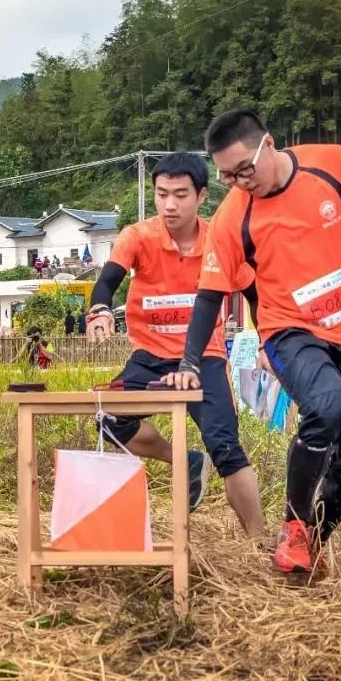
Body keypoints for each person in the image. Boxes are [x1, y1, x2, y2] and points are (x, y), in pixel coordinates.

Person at [164, 110, 341, 575]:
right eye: (226, 176)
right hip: (288, 331)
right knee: (326, 405)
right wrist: (190, 360)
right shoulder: (231, 219)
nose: (239, 182)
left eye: (244, 170)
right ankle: (294, 526)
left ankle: (312, 536)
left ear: (269, 146)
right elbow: (209, 296)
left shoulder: (329, 165)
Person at [86, 151, 265, 538]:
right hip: (149, 357)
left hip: (204, 359)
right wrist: (99, 310)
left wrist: (268, 340)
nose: (169, 204)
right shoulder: (137, 237)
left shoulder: (222, 242)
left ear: (202, 196)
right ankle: (181, 460)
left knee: (227, 448)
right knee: (109, 420)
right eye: (161, 193)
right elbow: (107, 282)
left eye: (180, 194)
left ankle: (259, 539)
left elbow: (255, 293)